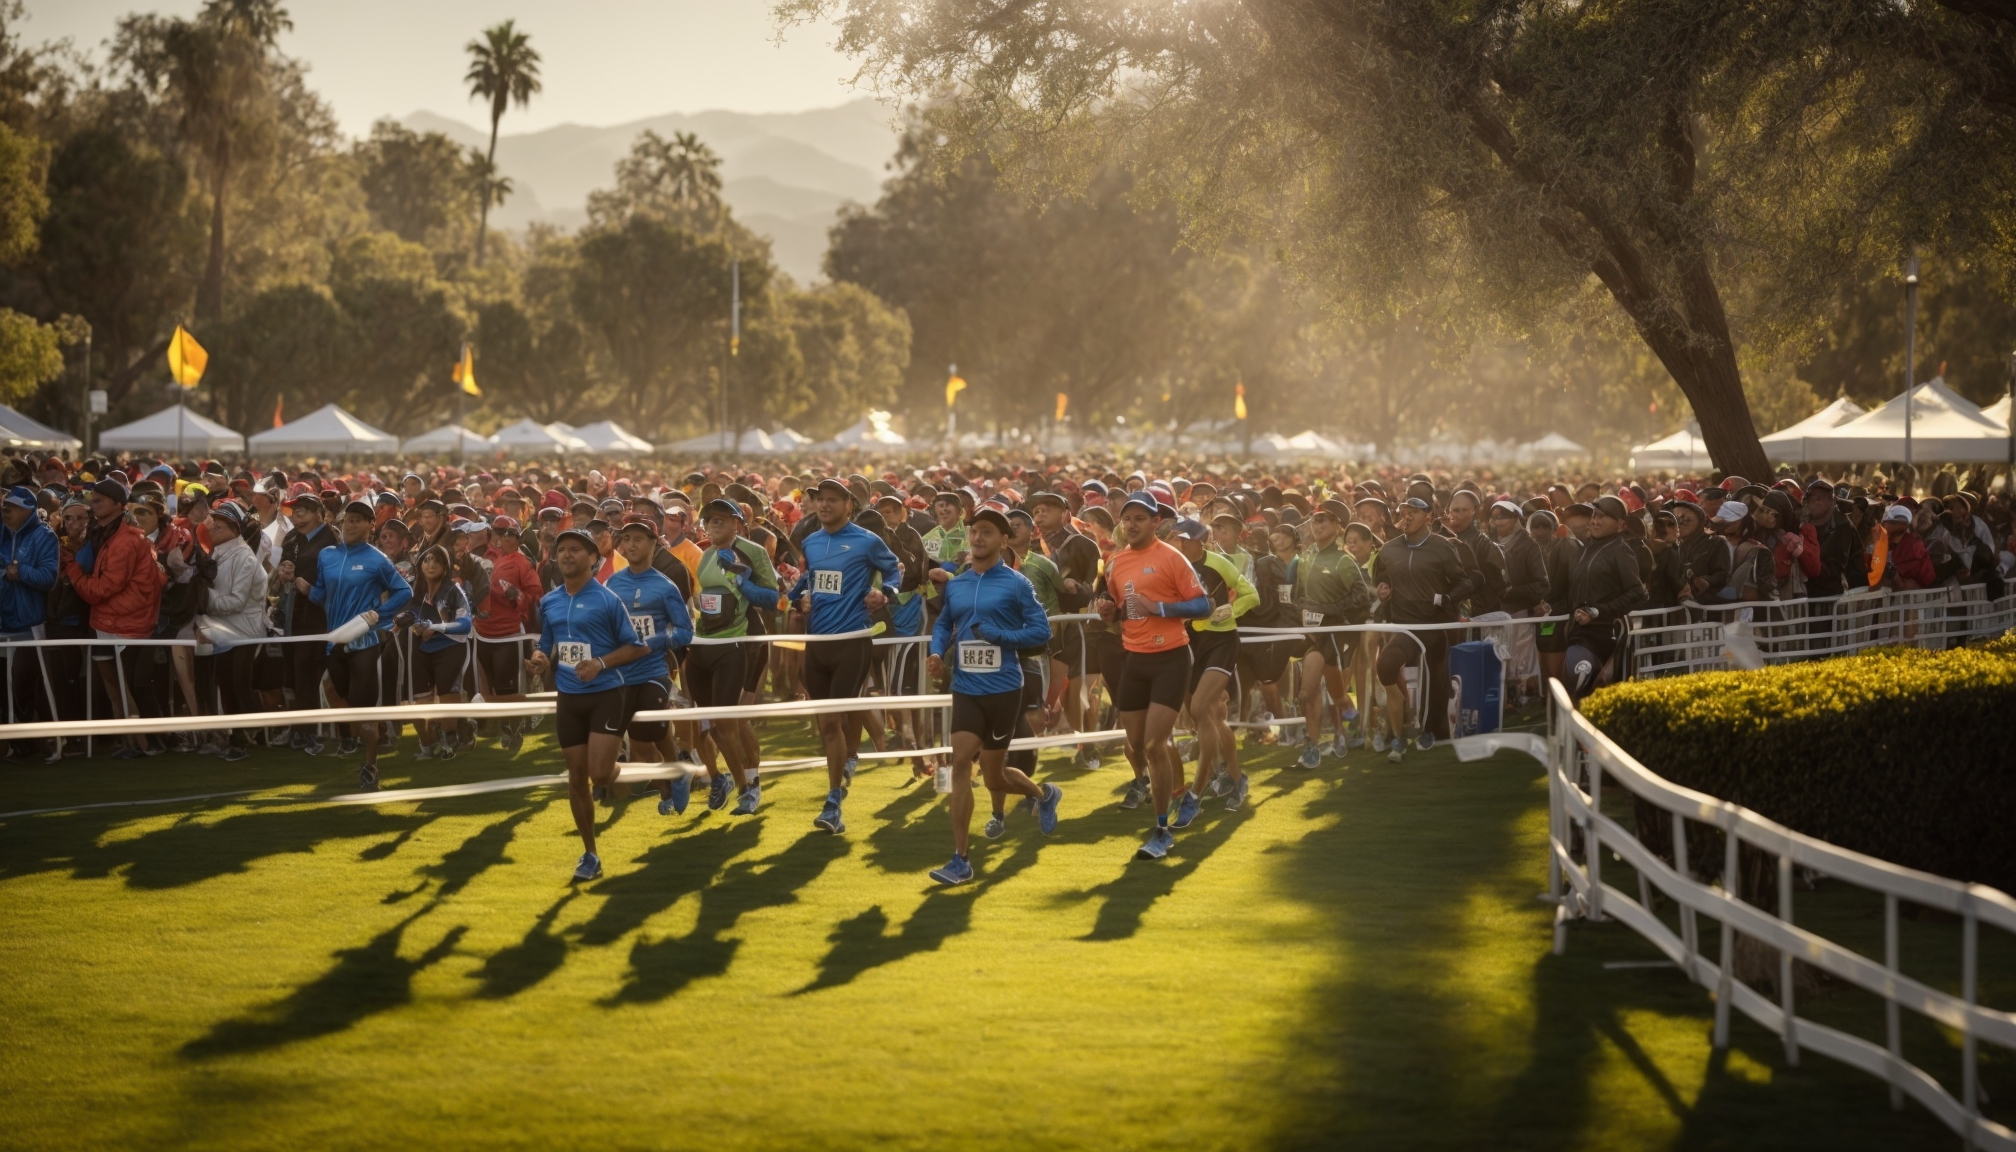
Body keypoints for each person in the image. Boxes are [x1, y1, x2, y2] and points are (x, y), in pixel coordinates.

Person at [925, 507, 1061, 885]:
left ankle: (1044, 795)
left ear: (1003, 540)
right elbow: (945, 623)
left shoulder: (1017, 584)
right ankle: (960, 859)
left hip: (1004, 689)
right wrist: (936, 652)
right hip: (966, 687)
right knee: (961, 763)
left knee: (994, 777)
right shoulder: (957, 584)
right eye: (974, 532)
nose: (977, 538)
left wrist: (1002, 637)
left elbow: (1041, 631)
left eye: (986, 532)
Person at [527, 528, 650, 881]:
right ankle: (590, 854)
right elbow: (547, 642)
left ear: (593, 557)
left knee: (600, 775)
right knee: (577, 777)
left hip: (606, 694)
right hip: (568, 697)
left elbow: (637, 647)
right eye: (562, 549)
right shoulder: (550, 601)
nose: (566, 555)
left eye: (575, 549)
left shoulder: (607, 600)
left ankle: (633, 769)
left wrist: (599, 663)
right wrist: (539, 658)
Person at [1096, 490, 1211, 861]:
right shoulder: (1115, 563)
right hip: (1134, 658)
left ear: (1155, 522)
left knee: (1152, 745)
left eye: (1140, 518)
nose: (1132, 525)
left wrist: (1160, 607)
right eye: (1127, 518)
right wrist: (1110, 612)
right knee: (1136, 746)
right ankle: (1174, 792)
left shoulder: (1172, 557)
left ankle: (1162, 831)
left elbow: (1203, 605)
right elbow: (1126, 609)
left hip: (1171, 657)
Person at [788, 477, 902, 835]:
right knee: (826, 725)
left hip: (852, 641)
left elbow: (894, 569)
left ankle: (833, 800)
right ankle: (845, 767)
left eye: (832, 499)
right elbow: (807, 581)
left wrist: (884, 593)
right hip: (817, 643)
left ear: (849, 505)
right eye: (820, 499)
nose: (824, 505)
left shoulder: (867, 540)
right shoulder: (811, 541)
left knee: (831, 721)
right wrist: (799, 599)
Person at [686, 497, 781, 815]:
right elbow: (707, 602)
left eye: (721, 519)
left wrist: (742, 580)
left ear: (736, 523)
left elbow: (773, 599)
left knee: (734, 721)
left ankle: (751, 785)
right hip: (708, 644)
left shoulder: (752, 551)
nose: (714, 524)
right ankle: (733, 781)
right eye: (709, 519)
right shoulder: (705, 556)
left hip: (746, 643)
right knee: (712, 725)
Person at [310, 501, 413, 789]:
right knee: (344, 697)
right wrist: (303, 586)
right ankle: (366, 736)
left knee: (363, 705)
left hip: (365, 641)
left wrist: (379, 614)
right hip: (334, 642)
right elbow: (320, 593)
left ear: (371, 525)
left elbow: (404, 591)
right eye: (347, 519)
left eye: (357, 520)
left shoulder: (378, 560)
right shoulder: (327, 555)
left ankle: (370, 765)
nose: (350, 524)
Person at [63, 479, 165, 759]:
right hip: (107, 622)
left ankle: (147, 745)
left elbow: (100, 590)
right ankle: (131, 742)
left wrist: (71, 567)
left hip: (126, 624)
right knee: (115, 689)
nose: (93, 502)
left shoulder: (126, 540)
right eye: (93, 497)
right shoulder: (104, 533)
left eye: (100, 498)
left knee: (126, 688)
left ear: (118, 504)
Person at [1370, 496, 1475, 762]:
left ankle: (1429, 730)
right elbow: (1381, 579)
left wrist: (1447, 598)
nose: (1406, 517)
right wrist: (1383, 589)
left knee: (1434, 675)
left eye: (1413, 512)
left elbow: (1465, 581)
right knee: (1385, 665)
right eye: (1403, 511)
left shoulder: (1442, 547)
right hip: (1405, 625)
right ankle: (1403, 724)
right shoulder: (1389, 549)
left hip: (1434, 624)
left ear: (1428, 516)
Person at [1170, 517, 1259, 817]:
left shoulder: (1219, 563)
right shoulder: (1175, 564)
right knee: (1211, 715)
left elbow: (1252, 595)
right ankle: (1233, 776)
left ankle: (1202, 785)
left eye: (1186, 539)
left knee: (1200, 708)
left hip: (1222, 641)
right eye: (1178, 538)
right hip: (1191, 643)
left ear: (1201, 541)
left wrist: (1230, 610)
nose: (1181, 544)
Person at [606, 517, 695, 814]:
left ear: (654, 544)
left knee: (654, 730)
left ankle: (675, 773)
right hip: (620, 674)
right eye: (626, 539)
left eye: (638, 539)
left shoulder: (665, 586)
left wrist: (656, 641)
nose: (631, 545)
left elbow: (685, 631)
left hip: (653, 671)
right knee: (643, 742)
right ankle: (672, 780)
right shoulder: (612, 584)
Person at [1292, 503, 1370, 767]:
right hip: (1314, 634)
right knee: (1310, 693)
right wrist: (1302, 610)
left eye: (1324, 520)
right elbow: (1300, 595)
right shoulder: (1306, 557)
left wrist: (1327, 610)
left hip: (1337, 633)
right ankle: (1314, 745)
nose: (1317, 524)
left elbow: (1361, 598)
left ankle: (1347, 720)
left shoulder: (1343, 560)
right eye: (1315, 520)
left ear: (1338, 525)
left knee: (1331, 694)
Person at [194, 501, 266, 761]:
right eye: (213, 524)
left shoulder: (244, 557)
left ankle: (253, 734)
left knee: (239, 683)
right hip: (224, 629)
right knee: (226, 683)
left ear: (235, 529)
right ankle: (242, 734)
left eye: (220, 526)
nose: (213, 528)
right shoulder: (217, 554)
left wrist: (204, 598)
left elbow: (236, 601)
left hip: (245, 630)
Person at [1561, 497, 1648, 704]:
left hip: (1607, 637)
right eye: (1594, 515)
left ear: (1621, 525)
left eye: (1603, 517)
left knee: (1586, 688)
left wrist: (1598, 611)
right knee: (1577, 693)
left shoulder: (1620, 550)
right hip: (1580, 634)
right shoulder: (1587, 548)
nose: (1595, 521)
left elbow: (1638, 593)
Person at [274, 490, 337, 753]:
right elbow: (288, 558)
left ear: (319, 514)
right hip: (293, 615)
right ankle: (299, 729)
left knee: (309, 673)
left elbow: (334, 581)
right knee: (294, 673)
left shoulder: (331, 539)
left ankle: (312, 732)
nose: (297, 514)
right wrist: (285, 567)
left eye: (303, 510)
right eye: (295, 510)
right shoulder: (293, 537)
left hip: (318, 618)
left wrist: (306, 585)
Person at [476, 516, 541, 753]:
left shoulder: (522, 563)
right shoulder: (485, 559)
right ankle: (506, 725)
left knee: (507, 686)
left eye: (510, 534)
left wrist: (519, 597)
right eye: (499, 532)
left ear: (517, 538)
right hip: (482, 631)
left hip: (508, 632)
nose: (504, 537)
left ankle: (515, 725)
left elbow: (537, 594)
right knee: (492, 685)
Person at [404, 545, 472, 761]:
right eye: (426, 560)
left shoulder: (454, 591)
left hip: (450, 648)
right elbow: (407, 615)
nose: (430, 565)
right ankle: (427, 744)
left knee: (447, 697)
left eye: (436, 561)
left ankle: (450, 741)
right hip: (421, 650)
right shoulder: (415, 591)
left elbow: (465, 624)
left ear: (445, 567)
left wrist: (434, 627)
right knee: (420, 701)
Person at [0, 485, 57, 737]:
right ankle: (11, 742)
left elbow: (49, 577)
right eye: (5, 506)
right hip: (2, 622)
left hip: (28, 624)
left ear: (29, 510)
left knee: (23, 687)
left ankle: (29, 740)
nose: (6, 511)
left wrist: (20, 572)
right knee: (3, 689)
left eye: (12, 507)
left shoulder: (44, 536)